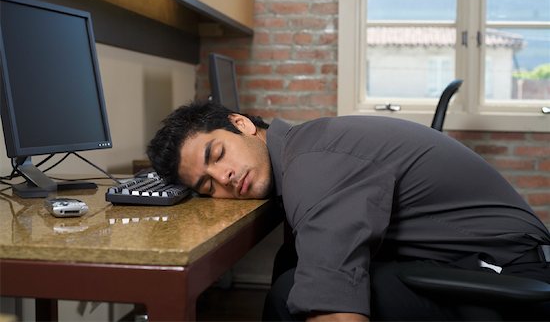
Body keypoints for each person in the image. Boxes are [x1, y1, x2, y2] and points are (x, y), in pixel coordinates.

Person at [147, 101, 550, 321]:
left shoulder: (316, 166)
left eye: (217, 154)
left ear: (242, 124)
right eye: (207, 185)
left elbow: (334, 303)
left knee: (293, 294)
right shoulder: (303, 146)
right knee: (293, 264)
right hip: (475, 259)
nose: (225, 177)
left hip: (511, 279)